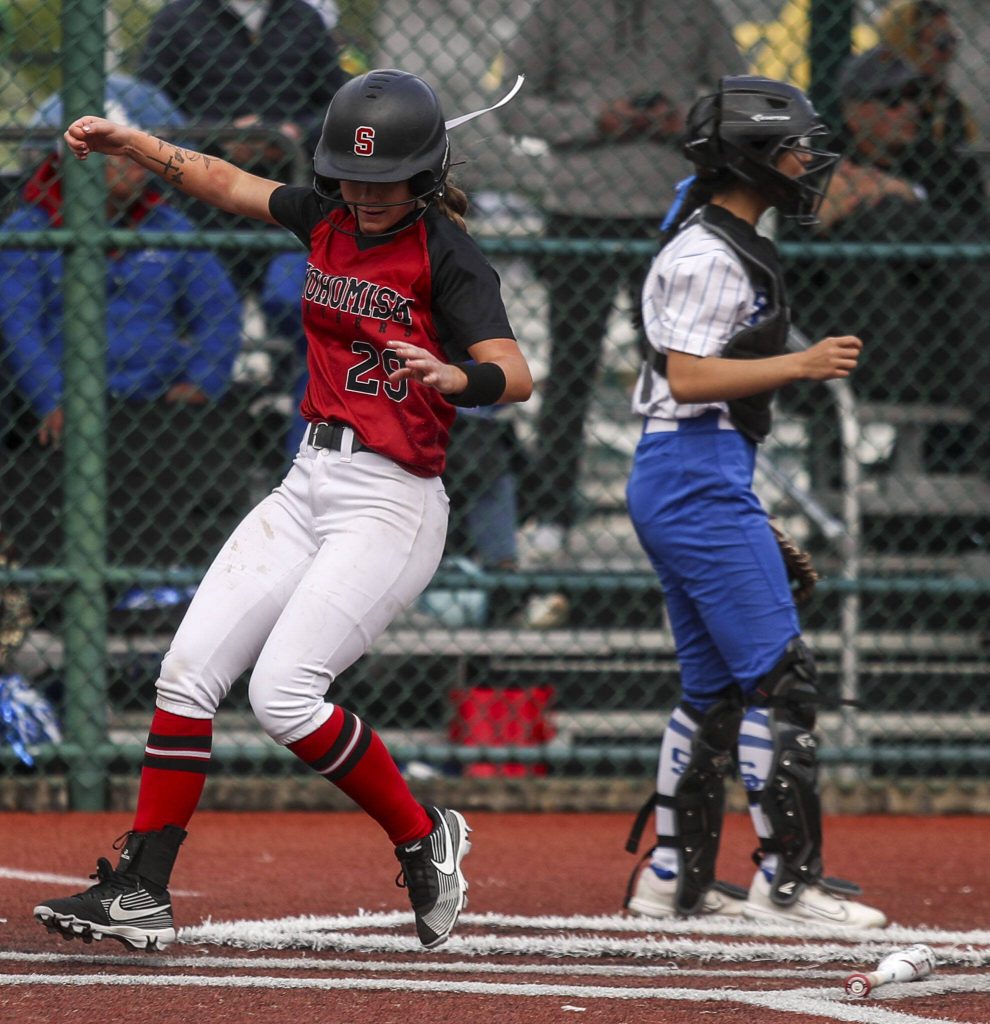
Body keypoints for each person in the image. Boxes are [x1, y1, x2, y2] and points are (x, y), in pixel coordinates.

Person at [32, 68, 532, 952]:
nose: (366, 196)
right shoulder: (328, 217)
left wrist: (461, 376)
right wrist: (134, 144)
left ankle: (425, 837)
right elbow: (224, 181)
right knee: (185, 674)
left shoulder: (447, 252)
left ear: (425, 173)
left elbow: (516, 371)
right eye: (351, 176)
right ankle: (143, 890)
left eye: (387, 180)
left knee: (284, 696)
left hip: (393, 499)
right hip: (307, 480)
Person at [622, 76, 887, 928]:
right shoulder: (707, 253)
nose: (807, 162)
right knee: (782, 680)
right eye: (793, 148)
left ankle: (671, 881)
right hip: (691, 472)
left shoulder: (725, 239)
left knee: (716, 691)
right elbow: (688, 376)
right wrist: (801, 365)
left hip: (696, 473)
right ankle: (789, 882)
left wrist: (744, 512)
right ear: (749, 156)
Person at [499, 0, 746, 563]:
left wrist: (682, 119)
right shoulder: (554, 14)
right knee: (572, 366)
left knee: (674, 367)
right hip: (578, 212)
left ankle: (686, 511)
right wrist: (594, 120)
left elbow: (741, 100)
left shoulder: (698, 12)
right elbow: (513, 105)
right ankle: (551, 513)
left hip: (667, 211)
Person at [0, 75, 245, 567]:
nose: (136, 164)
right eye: (119, 151)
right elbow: (19, 326)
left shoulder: (168, 225)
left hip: (157, 405)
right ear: (79, 157)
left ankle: (167, 584)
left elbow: (220, 312)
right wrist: (53, 398)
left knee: (210, 446)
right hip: (65, 410)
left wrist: (202, 380)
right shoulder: (29, 228)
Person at [136, 0, 352, 290]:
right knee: (215, 297)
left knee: (287, 298)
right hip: (204, 196)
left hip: (287, 191)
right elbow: (151, 107)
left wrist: (296, 134)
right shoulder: (178, 18)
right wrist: (221, 136)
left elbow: (337, 102)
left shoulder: (303, 17)